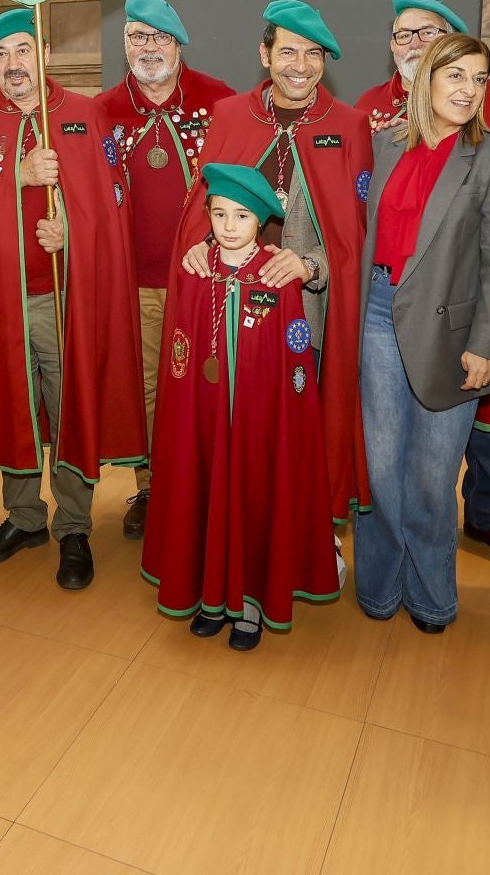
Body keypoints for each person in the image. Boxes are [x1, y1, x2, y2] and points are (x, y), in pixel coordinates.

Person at [0, 8, 146, 590]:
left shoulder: (81, 114)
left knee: (70, 405)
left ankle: (73, 526)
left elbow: (109, 207)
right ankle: (24, 517)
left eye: (23, 50)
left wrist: (71, 227)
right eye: (0, 56)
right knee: (11, 406)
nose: (13, 65)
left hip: (61, 300)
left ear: (43, 53)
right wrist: (14, 177)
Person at [177, 0, 371, 526]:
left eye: (313, 54)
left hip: (306, 308)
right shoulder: (231, 115)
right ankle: (234, 523)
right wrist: (198, 245)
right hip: (235, 299)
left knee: (300, 417)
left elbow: (352, 231)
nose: (300, 66)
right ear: (265, 55)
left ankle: (307, 531)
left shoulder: (350, 125)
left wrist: (313, 266)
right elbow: (202, 206)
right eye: (287, 51)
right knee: (239, 417)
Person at [354, 34, 490, 632]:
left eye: (479, 80)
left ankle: (430, 595)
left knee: (431, 473)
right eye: (455, 76)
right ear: (425, 79)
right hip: (377, 310)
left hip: (452, 332)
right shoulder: (383, 145)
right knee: (380, 465)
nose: (468, 91)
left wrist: (485, 344)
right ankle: (377, 584)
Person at [140, 163, 338, 651]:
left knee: (251, 495)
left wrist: (278, 422)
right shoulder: (194, 272)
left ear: (261, 223)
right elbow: (181, 355)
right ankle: (211, 597)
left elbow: (294, 359)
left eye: (242, 217)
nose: (229, 226)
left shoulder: (275, 276)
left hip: (257, 425)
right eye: (220, 213)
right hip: (205, 420)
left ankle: (249, 604)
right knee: (206, 489)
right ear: (206, 214)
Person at [93, 0, 236, 540]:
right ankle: (152, 486)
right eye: (136, 37)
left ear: (179, 44)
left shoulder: (220, 102)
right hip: (135, 282)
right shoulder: (101, 112)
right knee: (148, 386)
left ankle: (209, 483)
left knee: (208, 381)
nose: (148, 47)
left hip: (208, 278)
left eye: (159, 38)